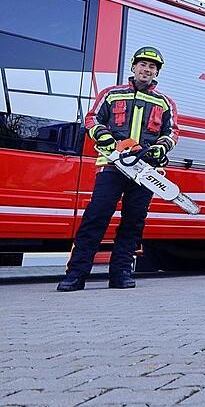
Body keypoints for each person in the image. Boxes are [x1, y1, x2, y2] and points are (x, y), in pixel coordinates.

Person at [57, 47, 179, 291]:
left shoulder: (165, 102)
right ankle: (76, 274)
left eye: (152, 67)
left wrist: (161, 148)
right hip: (112, 165)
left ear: (157, 72)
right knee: (96, 218)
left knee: (133, 222)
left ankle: (121, 272)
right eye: (143, 65)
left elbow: (172, 131)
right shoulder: (111, 94)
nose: (147, 70)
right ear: (133, 67)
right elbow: (92, 119)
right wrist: (102, 136)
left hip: (144, 170)